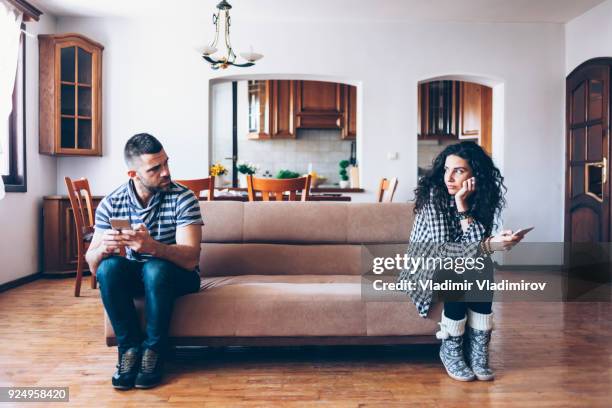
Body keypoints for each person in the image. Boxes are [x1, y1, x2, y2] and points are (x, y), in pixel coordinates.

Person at [85, 133, 203, 390]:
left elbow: (191, 258)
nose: (166, 172)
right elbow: (92, 266)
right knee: (109, 267)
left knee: (155, 267)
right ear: (133, 175)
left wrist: (153, 247)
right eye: (155, 168)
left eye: (166, 163)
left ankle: (154, 351)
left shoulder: (184, 198)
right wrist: (103, 249)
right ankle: (128, 351)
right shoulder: (111, 203)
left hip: (177, 276)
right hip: (137, 275)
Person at [398, 141, 523, 382]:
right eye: (446, 169)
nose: (449, 177)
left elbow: (474, 249)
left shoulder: (481, 198)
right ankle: (451, 349)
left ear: (475, 174)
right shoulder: (434, 198)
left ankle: (478, 352)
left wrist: (464, 207)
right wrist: (489, 243)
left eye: (459, 170)